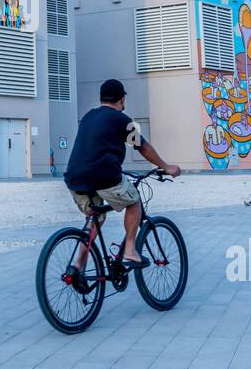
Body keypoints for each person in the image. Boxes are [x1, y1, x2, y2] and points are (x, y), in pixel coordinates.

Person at [64, 78, 181, 268]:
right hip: (103, 176)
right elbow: (142, 147)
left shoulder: (88, 117)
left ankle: (78, 266)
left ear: (101, 98)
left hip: (75, 179)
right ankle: (130, 249)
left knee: (96, 217)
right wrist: (166, 167)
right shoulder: (122, 120)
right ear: (122, 99)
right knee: (134, 203)